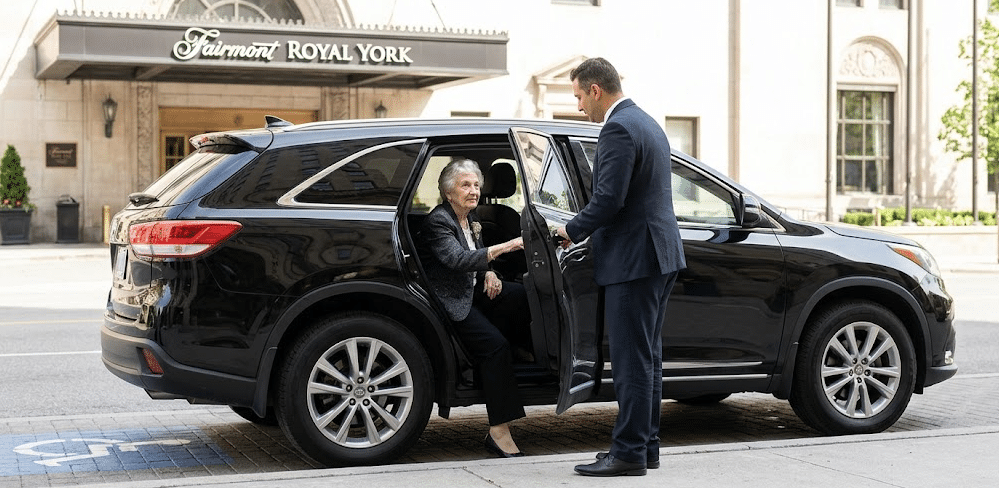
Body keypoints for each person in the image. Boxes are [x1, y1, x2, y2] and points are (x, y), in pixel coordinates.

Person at [555, 57, 687, 477]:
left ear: (596, 90)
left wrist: (569, 230)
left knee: (632, 361)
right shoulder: (646, 122)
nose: (579, 107)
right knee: (647, 358)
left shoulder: (616, 128)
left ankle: (628, 452)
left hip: (634, 259)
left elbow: (608, 200)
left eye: (578, 96)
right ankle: (645, 448)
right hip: (658, 255)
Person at [420, 158, 531, 458]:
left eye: (476, 185)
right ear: (448, 192)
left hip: (472, 290)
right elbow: (457, 259)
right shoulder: (439, 221)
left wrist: (489, 272)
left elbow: (473, 257)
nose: (473, 190)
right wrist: (507, 246)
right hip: (450, 301)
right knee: (496, 348)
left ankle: (523, 351)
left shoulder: (469, 217)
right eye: (465, 185)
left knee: (523, 295)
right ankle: (499, 431)